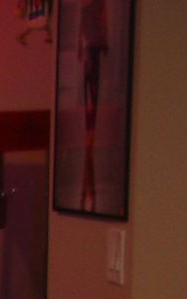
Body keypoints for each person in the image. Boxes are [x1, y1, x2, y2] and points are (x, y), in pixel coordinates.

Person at [77, 0, 109, 210]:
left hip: (94, 49)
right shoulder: (92, 9)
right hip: (93, 50)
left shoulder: (95, 9)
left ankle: (86, 193)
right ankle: (86, 193)